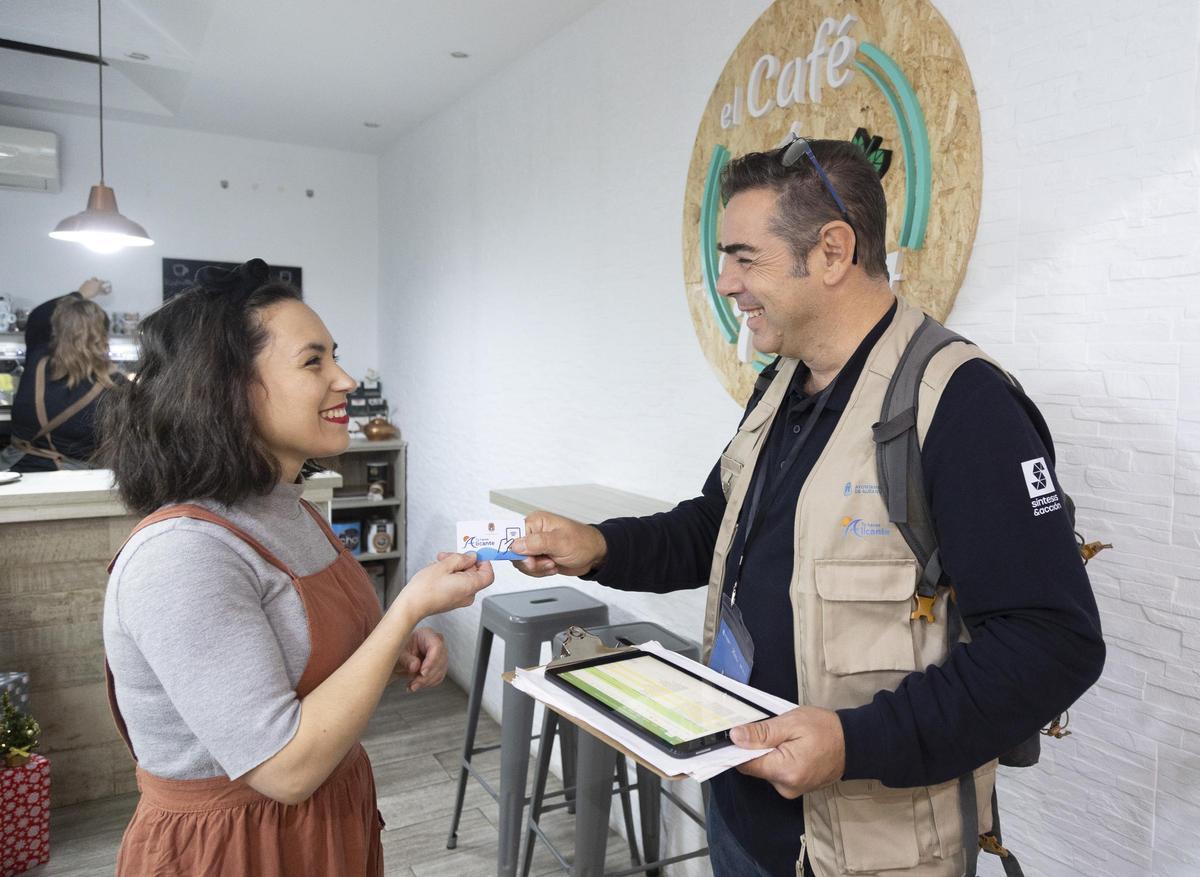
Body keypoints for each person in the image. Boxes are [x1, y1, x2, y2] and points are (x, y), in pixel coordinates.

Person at [510, 141, 1105, 877]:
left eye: (743, 257)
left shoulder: (961, 403)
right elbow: (714, 527)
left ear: (831, 251)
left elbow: (1053, 642)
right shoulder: (782, 383)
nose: (725, 282)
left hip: (871, 849)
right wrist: (599, 546)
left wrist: (854, 741)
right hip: (741, 806)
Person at [98, 259, 494, 875]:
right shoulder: (182, 555)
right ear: (227, 386)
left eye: (334, 356)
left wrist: (391, 651)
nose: (344, 380)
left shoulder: (289, 509)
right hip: (233, 848)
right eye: (314, 362)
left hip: (327, 824)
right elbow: (284, 770)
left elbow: (296, 669)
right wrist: (408, 607)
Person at [2, 278, 121, 471]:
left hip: (18, 470)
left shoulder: (38, 359)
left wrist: (81, 293)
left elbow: (38, 316)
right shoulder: (115, 385)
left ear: (56, 329)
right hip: (75, 481)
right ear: (104, 336)